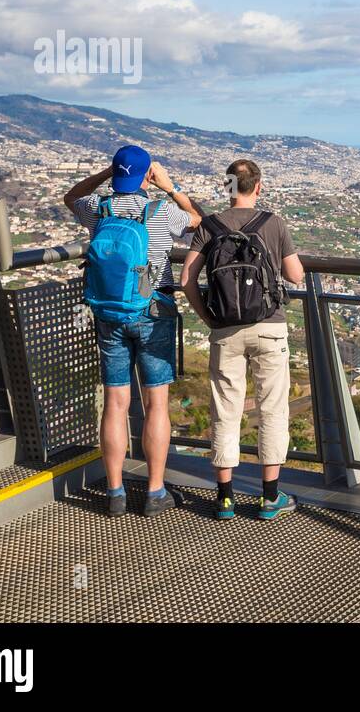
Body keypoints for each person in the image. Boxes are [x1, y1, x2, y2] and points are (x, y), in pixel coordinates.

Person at [64, 145, 201, 517]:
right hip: (154, 312)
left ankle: (115, 492)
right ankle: (155, 492)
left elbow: (72, 196)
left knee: (115, 403)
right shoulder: (160, 211)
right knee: (156, 403)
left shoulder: (99, 209)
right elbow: (198, 221)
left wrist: (106, 176)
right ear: (146, 176)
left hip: (109, 314)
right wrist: (169, 186)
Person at [180, 159, 304, 520]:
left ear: (228, 187)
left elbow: (188, 278)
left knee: (225, 410)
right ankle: (269, 497)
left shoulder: (211, 226)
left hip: (225, 331)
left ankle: (225, 499)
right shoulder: (274, 223)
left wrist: (208, 318)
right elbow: (295, 275)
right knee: (272, 409)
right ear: (259, 186)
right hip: (269, 326)